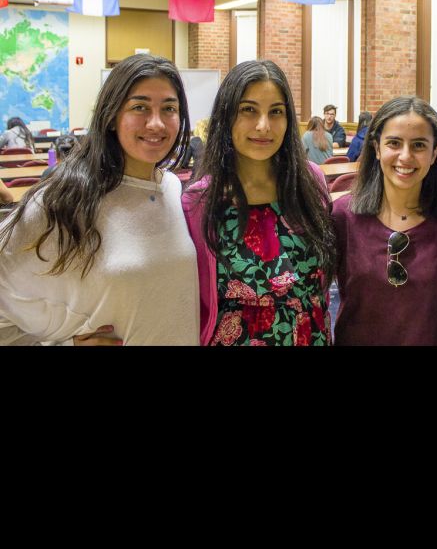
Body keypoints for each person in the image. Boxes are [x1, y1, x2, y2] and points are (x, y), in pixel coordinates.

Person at [0, 53, 199, 346]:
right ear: (111, 116)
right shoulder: (66, 200)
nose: (156, 123)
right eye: (140, 107)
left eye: (169, 108)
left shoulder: (171, 187)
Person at [182, 60, 337, 346]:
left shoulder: (311, 182)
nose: (263, 126)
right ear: (226, 116)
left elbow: (320, 287)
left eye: (275, 112)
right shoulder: (201, 200)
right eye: (248, 110)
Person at [330, 97, 437, 346]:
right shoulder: (343, 216)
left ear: (435, 153)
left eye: (418, 145)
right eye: (394, 143)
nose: (406, 156)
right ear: (377, 147)